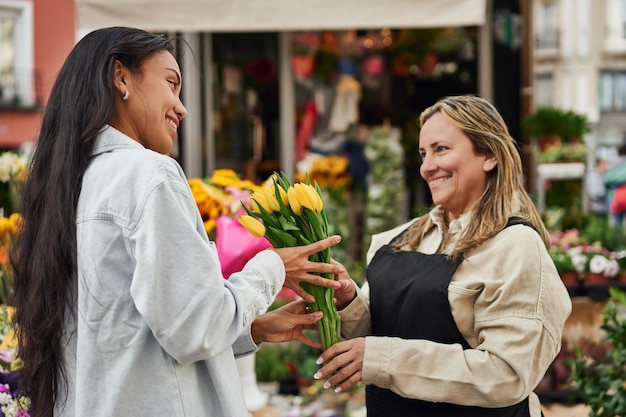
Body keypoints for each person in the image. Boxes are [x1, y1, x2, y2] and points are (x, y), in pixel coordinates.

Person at [10, 27, 343, 417]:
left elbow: (130, 333)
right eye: (171, 83)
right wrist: (272, 268)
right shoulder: (148, 173)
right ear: (121, 77)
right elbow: (193, 328)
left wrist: (252, 329)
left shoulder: (72, 184)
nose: (181, 107)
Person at [314, 95, 572, 417]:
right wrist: (348, 301)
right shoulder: (399, 239)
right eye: (423, 153)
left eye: (441, 149)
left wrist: (385, 359)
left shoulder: (515, 246)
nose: (427, 167)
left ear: (489, 155)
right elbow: (377, 336)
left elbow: (506, 375)